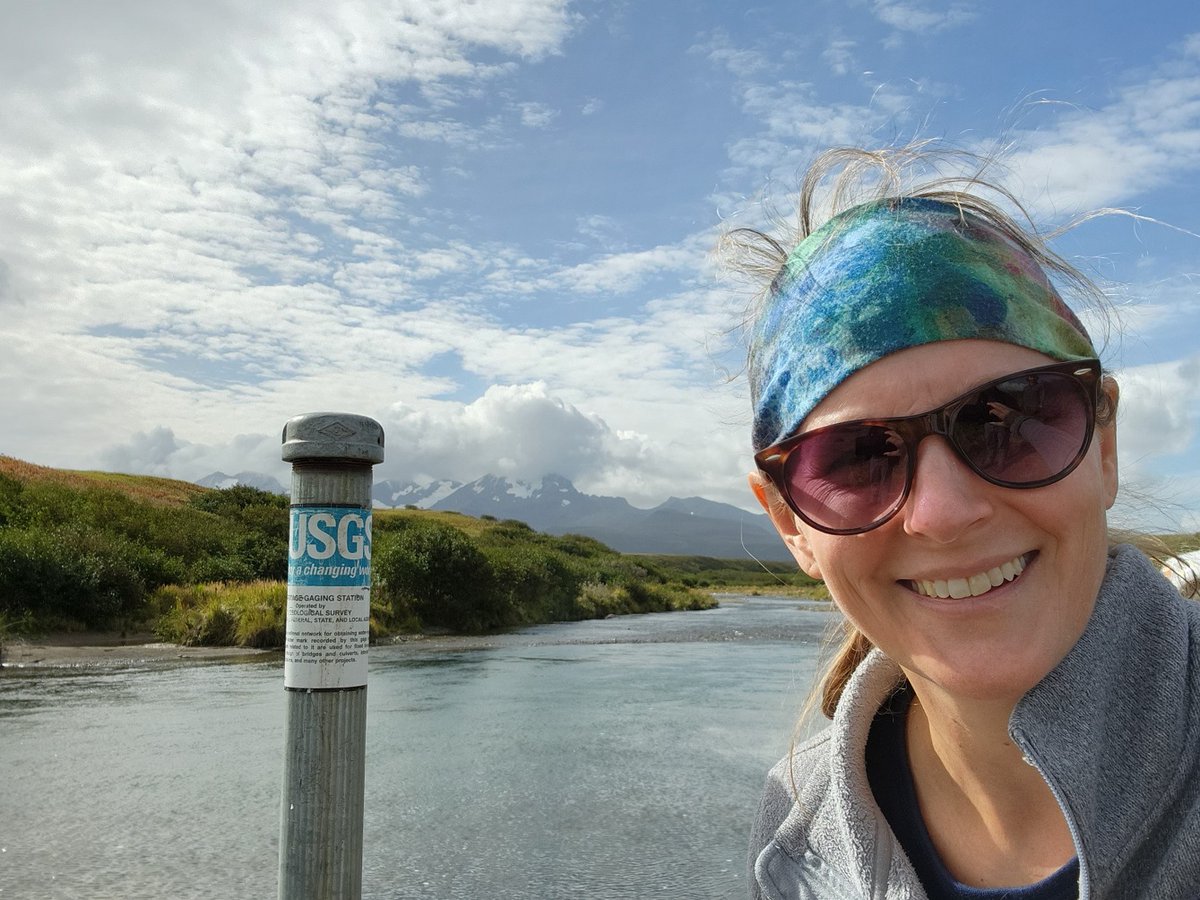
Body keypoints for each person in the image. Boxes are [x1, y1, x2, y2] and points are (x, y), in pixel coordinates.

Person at [730, 147, 1200, 899]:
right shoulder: (798, 828)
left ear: (1103, 448)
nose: (944, 514)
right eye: (857, 458)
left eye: (1006, 419)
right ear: (791, 523)